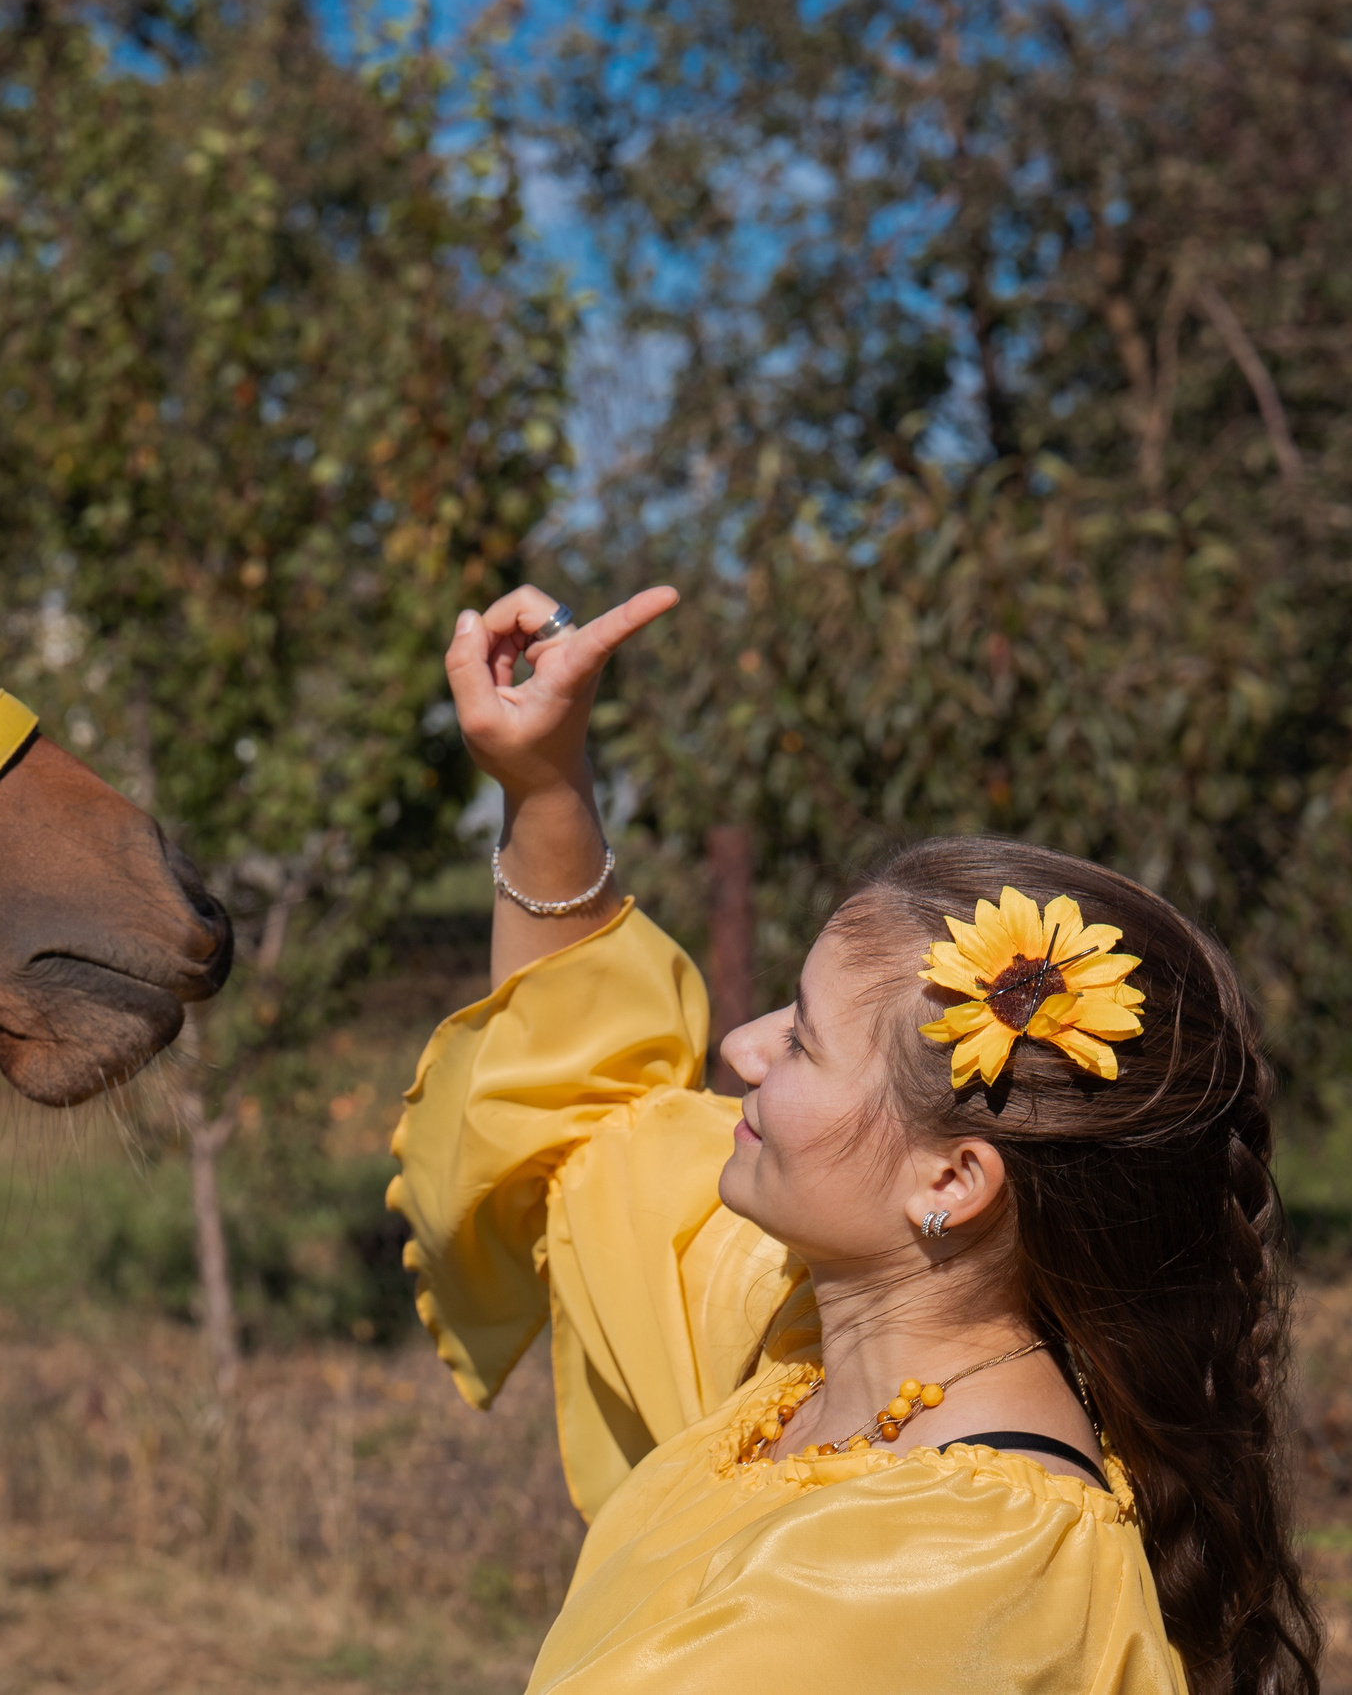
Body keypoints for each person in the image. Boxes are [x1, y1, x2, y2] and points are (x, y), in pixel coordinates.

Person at [389, 584, 1319, 1693]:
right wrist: (544, 786)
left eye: (804, 1041)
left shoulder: (944, 1574)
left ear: (951, 1178)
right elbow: (596, 1129)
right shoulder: (804, 1355)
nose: (739, 1045)